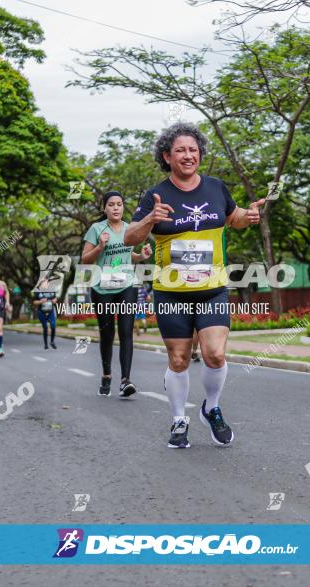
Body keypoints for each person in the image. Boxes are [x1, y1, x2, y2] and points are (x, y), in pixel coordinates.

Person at [125, 122, 265, 448]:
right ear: (167, 156)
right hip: (171, 291)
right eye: (180, 151)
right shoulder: (155, 195)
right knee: (179, 360)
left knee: (215, 354)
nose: (189, 155)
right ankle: (178, 420)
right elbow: (130, 237)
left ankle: (211, 408)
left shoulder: (216, 188)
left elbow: (233, 218)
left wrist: (250, 215)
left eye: (193, 150)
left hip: (213, 287)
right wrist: (149, 219)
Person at [81, 190, 152, 397]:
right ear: (104, 208)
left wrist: (142, 256)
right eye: (111, 204)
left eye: (119, 204)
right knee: (107, 333)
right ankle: (106, 375)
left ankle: (125, 380)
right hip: (102, 288)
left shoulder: (130, 228)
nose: (115, 208)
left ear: (123, 207)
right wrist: (100, 247)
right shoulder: (96, 229)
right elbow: (86, 259)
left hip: (126, 286)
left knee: (126, 331)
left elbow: (131, 256)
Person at [32, 277, 58, 350]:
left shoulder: (52, 290)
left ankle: (52, 341)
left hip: (51, 311)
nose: (45, 283)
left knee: (53, 326)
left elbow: (55, 298)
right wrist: (40, 301)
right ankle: (46, 344)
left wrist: (54, 301)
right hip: (42, 312)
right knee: (45, 328)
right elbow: (34, 302)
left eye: (46, 281)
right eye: (43, 282)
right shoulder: (37, 291)